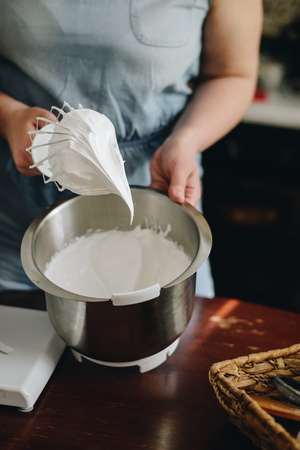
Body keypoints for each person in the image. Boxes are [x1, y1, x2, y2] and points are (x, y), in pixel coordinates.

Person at [0, 0, 262, 296]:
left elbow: (231, 73)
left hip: (159, 188)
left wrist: (186, 140)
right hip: (14, 215)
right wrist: (7, 116)